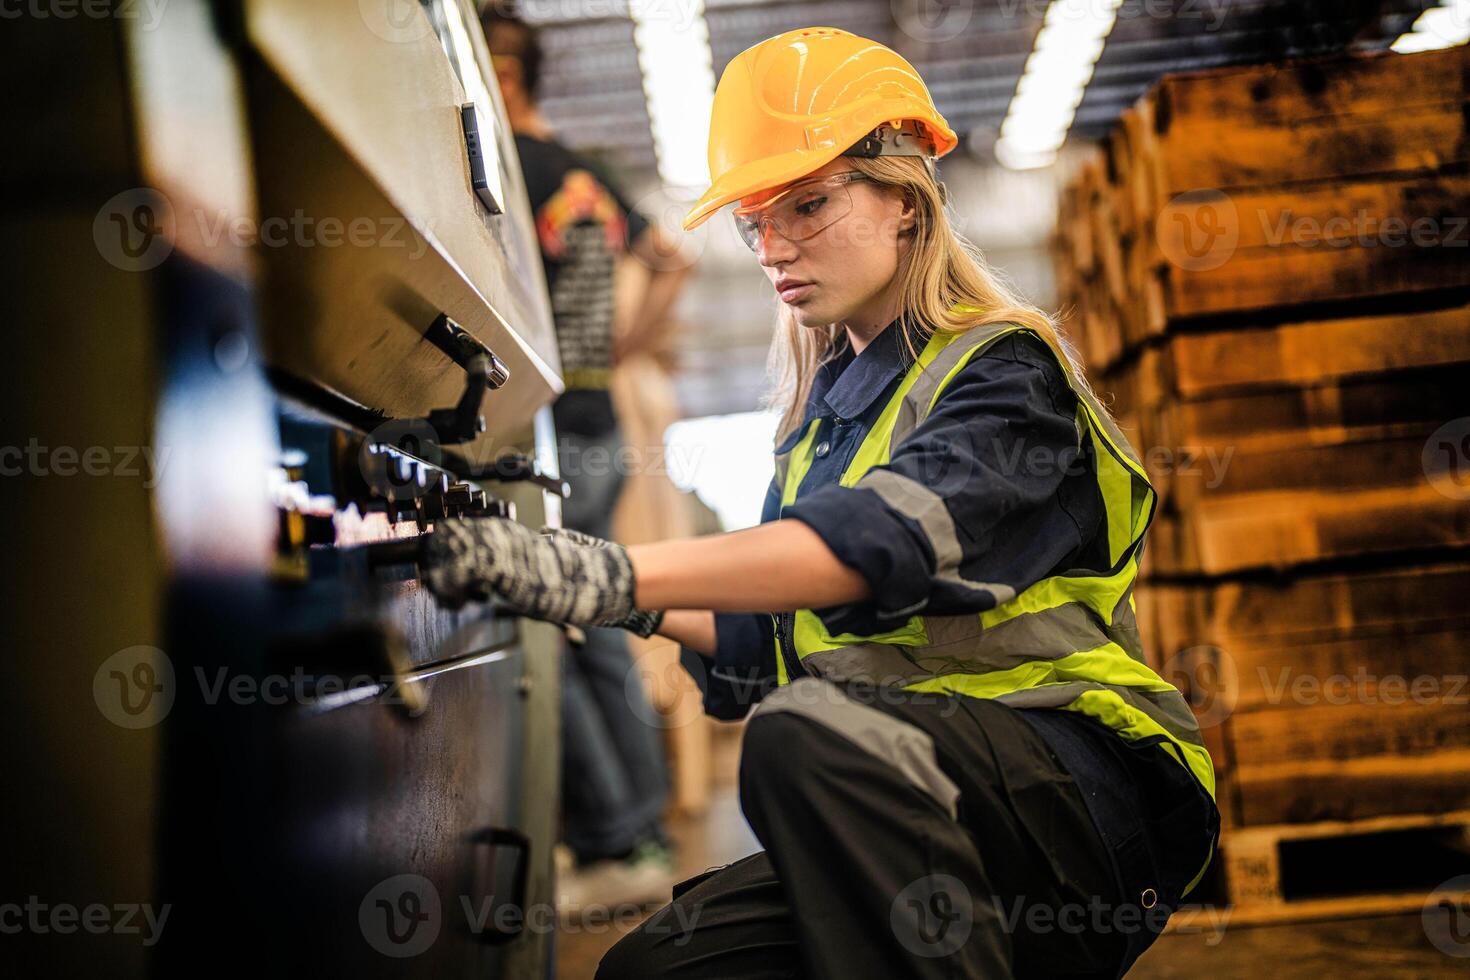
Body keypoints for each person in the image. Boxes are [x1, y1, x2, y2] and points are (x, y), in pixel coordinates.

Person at [426, 25, 1220, 978]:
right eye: (755, 222)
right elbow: (772, 643)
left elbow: (874, 544)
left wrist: (612, 565)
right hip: (908, 799)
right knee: (650, 970)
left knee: (803, 739)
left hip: (1078, 799)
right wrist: (599, 593)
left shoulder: (1003, 373)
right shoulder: (817, 428)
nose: (774, 247)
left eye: (808, 204)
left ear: (905, 199)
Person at [479, 7, 692, 909]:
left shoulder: (509, 165)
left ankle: (611, 837)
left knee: (544, 618)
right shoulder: (593, 173)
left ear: (504, 73)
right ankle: (641, 833)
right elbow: (671, 258)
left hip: (547, 426)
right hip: (598, 415)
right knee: (599, 623)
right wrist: (618, 348)